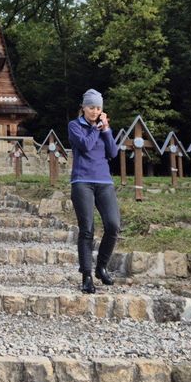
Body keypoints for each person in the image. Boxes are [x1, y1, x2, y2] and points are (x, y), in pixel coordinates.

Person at [66, 88, 120, 294]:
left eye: (98, 108)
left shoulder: (102, 127)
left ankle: (101, 267)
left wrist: (106, 130)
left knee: (113, 225)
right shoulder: (74, 126)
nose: (95, 111)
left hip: (104, 181)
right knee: (87, 229)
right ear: (83, 108)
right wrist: (97, 129)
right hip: (82, 182)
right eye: (91, 107)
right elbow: (86, 146)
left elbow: (113, 152)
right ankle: (87, 276)